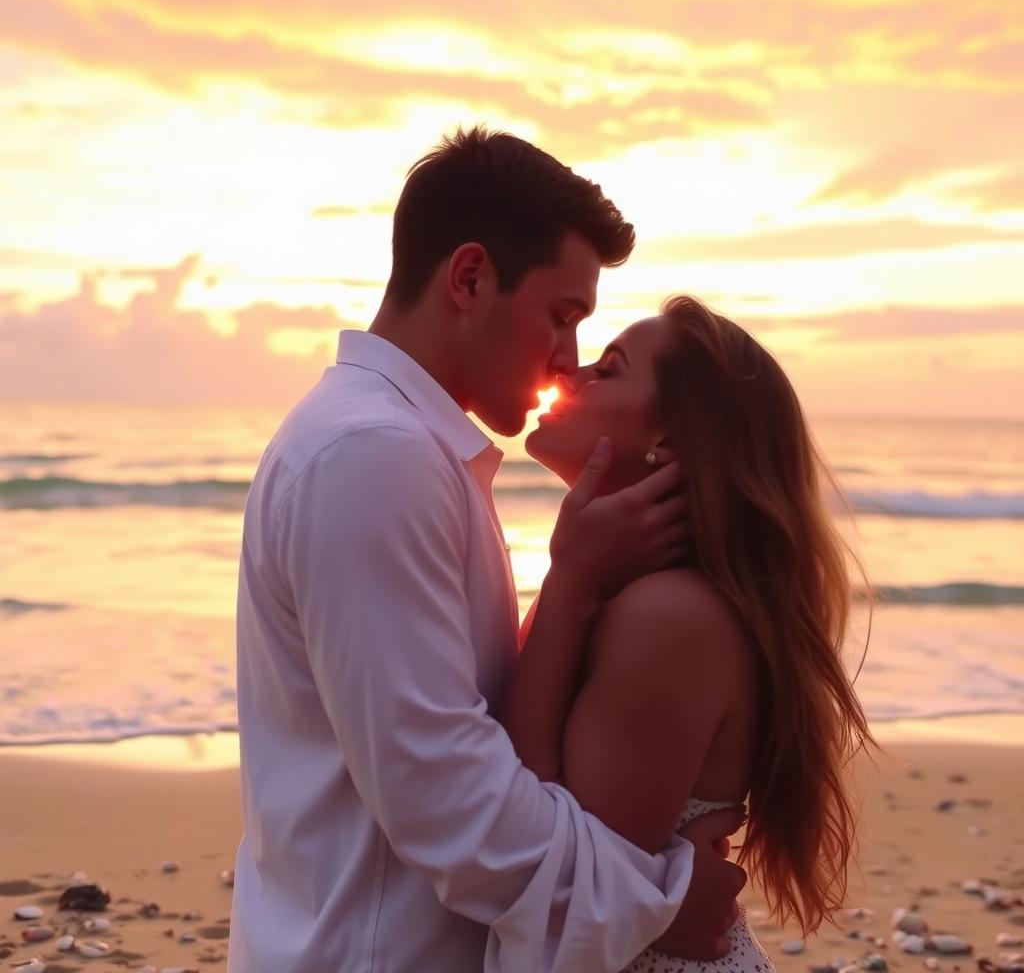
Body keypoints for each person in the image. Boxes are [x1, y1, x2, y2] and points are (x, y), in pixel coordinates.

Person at [227, 129, 746, 973]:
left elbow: (471, 747)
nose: (568, 359)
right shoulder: (373, 455)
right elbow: (447, 796)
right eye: (562, 315)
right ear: (469, 278)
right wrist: (655, 905)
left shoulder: (405, 449)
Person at [502, 296, 875, 972]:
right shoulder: (632, 595)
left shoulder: (669, 616)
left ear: (670, 440)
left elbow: (555, 861)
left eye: (609, 368)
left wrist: (569, 579)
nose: (572, 373)